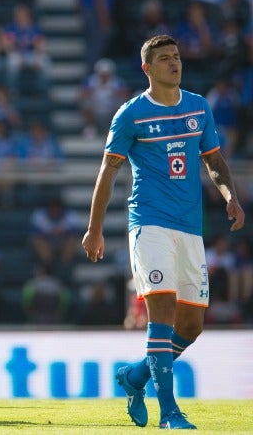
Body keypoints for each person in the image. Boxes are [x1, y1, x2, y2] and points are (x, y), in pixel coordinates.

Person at [81, 35, 245, 430]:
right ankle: (169, 412)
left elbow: (214, 160)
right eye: (165, 58)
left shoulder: (198, 106)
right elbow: (108, 171)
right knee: (162, 317)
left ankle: (134, 378)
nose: (175, 63)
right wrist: (95, 228)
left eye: (177, 56)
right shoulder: (131, 114)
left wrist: (230, 197)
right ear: (147, 68)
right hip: (149, 224)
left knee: (191, 327)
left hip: (190, 228)